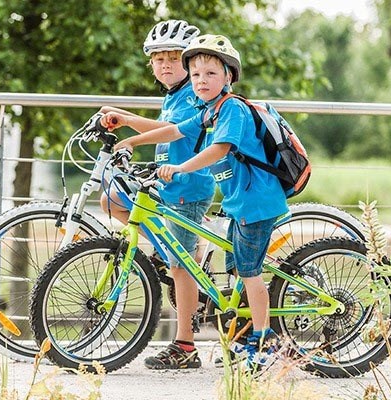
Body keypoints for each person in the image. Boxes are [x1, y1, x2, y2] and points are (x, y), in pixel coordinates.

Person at [115, 34, 289, 371]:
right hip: (240, 202)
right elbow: (174, 131)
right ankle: (245, 335)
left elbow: (219, 149)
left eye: (211, 74)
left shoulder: (233, 109)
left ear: (228, 77)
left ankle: (264, 343)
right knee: (239, 268)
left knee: (250, 273)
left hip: (256, 202)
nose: (201, 81)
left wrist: (180, 167)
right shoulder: (209, 111)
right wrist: (132, 140)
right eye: (195, 75)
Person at [99, 20, 216, 370]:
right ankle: (173, 252)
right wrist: (123, 119)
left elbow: (172, 133)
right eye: (157, 59)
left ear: (190, 62)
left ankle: (185, 345)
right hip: (168, 187)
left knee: (181, 268)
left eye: (173, 58)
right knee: (112, 201)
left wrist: (127, 122)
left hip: (189, 188)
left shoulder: (192, 94)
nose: (165, 65)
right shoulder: (171, 95)